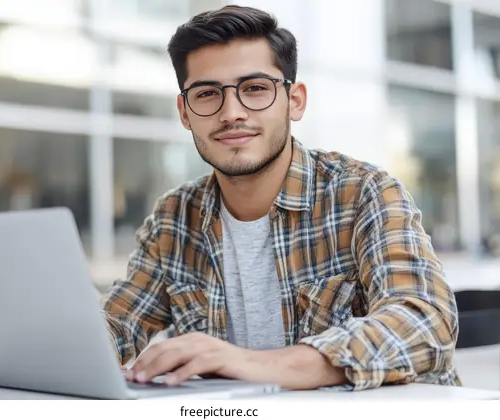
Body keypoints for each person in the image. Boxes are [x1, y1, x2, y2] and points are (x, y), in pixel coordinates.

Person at [100, 4, 461, 391]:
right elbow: (118, 325)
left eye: (255, 88)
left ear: (295, 100)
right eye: (206, 94)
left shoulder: (363, 194)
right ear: (185, 112)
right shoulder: (174, 218)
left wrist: (261, 364)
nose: (231, 113)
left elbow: (426, 321)